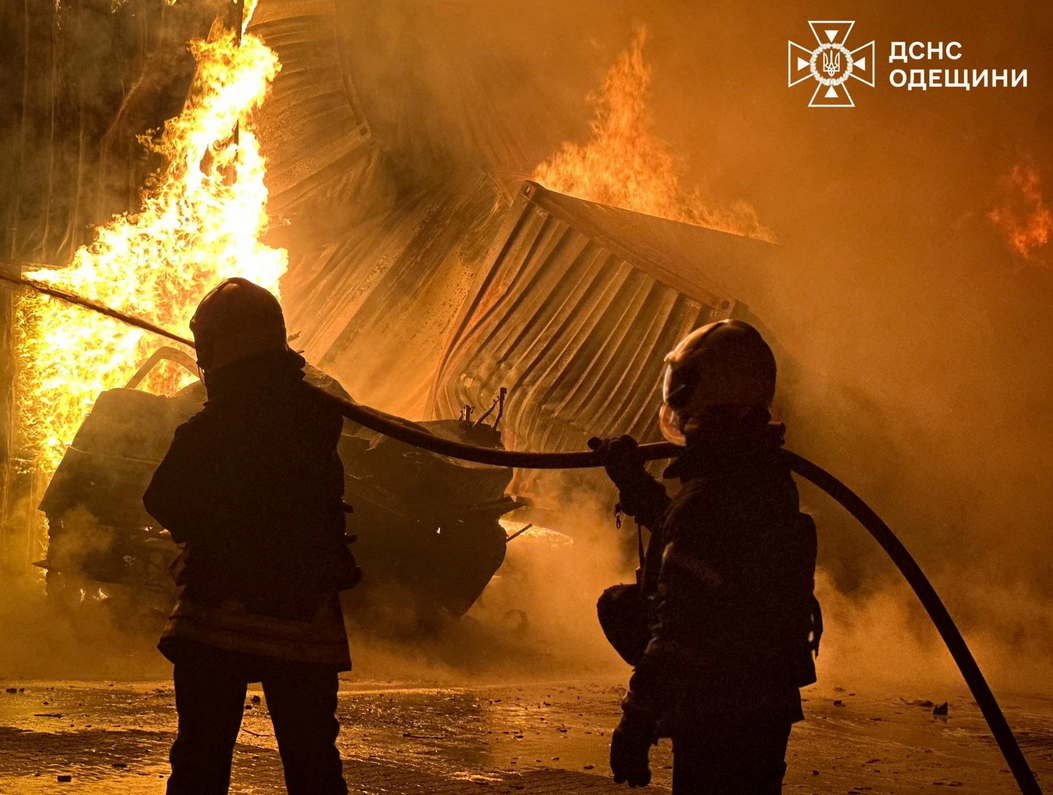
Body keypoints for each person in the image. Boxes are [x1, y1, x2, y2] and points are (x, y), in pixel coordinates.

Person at [143, 278, 361, 795]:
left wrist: (206, 529)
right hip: (304, 618)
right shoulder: (316, 418)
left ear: (220, 349)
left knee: (201, 759)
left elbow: (162, 498)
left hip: (219, 614)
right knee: (313, 763)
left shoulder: (211, 428)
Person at [590, 319, 821, 794]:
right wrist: (634, 483)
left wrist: (636, 721)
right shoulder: (765, 480)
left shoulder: (710, 498)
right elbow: (702, 540)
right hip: (765, 704)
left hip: (717, 710)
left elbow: (681, 629)